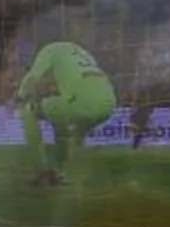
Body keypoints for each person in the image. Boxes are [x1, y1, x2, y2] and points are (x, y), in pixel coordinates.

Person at [15, 36, 115, 188]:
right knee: (58, 114)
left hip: (82, 101)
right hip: (109, 103)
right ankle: (58, 170)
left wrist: (19, 97)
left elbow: (33, 77)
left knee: (28, 109)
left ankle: (43, 171)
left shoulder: (50, 49)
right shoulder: (82, 52)